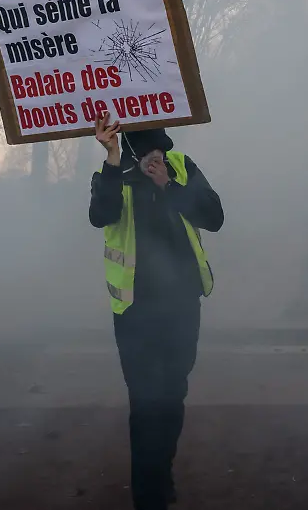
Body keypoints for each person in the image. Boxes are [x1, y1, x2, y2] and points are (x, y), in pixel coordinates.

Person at [89, 113, 224, 510]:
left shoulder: (181, 167)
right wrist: (113, 158)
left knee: (173, 393)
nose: (154, 156)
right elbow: (101, 215)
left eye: (159, 149)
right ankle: (148, 497)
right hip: (135, 308)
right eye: (145, 150)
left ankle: (160, 475)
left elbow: (214, 218)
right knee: (146, 401)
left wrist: (167, 183)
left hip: (182, 304)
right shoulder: (113, 172)